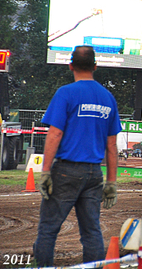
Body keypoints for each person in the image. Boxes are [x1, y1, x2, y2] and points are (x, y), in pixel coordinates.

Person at [33, 46, 122, 266]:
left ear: (70, 65)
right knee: (91, 232)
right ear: (95, 66)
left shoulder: (66, 93)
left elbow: (55, 134)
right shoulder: (108, 98)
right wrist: (111, 182)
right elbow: (112, 145)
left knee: (48, 230)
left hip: (66, 171)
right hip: (94, 174)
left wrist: (45, 172)